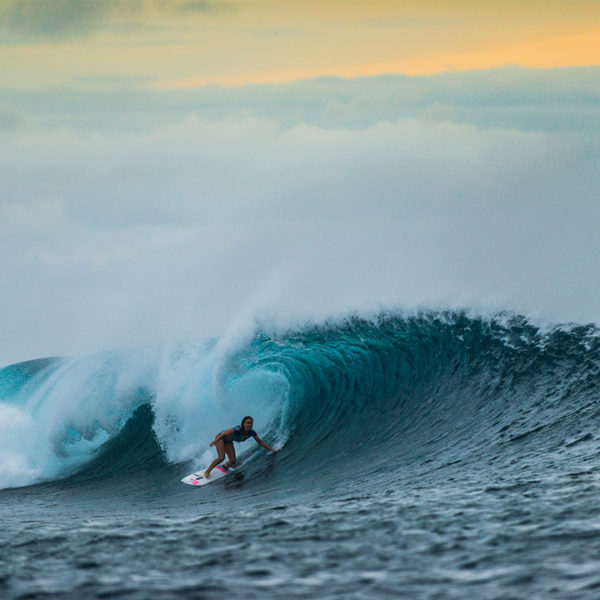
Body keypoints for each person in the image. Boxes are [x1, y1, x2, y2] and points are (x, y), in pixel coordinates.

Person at [204, 416, 277, 479]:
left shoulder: (251, 433)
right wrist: (215, 441)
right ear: (243, 424)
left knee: (232, 460)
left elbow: (260, 442)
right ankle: (207, 471)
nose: (250, 424)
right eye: (248, 423)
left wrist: (271, 450)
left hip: (228, 441)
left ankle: (224, 467)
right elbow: (224, 433)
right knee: (221, 457)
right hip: (220, 438)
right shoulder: (238, 429)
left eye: (251, 423)